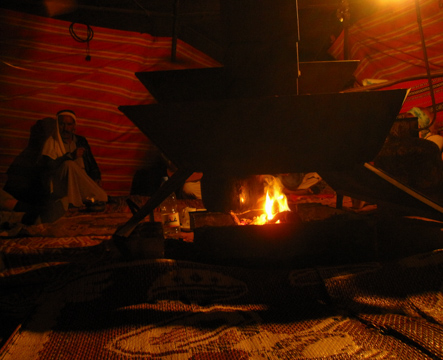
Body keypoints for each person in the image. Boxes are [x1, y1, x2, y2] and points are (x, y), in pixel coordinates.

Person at [40, 110, 108, 211]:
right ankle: (71, 204)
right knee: (69, 164)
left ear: (74, 126)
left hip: (81, 183)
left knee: (103, 197)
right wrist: (70, 156)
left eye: (69, 124)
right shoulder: (51, 143)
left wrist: (96, 176)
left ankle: (81, 201)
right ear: (57, 125)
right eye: (62, 124)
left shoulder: (80, 141)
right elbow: (47, 167)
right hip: (62, 188)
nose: (65, 128)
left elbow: (91, 162)